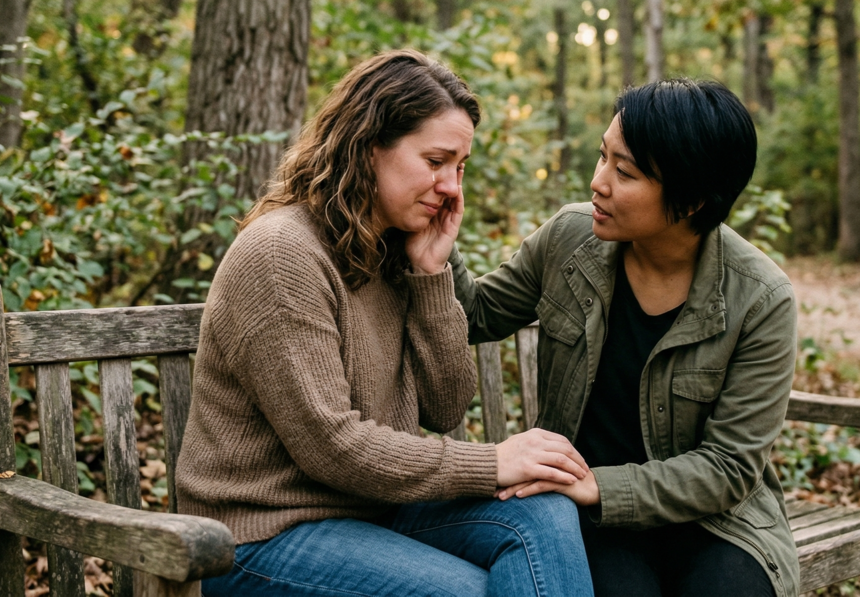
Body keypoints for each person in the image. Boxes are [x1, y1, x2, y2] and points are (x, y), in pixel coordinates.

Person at [177, 49, 595, 597]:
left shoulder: (393, 249)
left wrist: (429, 273)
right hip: (261, 535)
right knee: (471, 592)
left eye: (460, 167)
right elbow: (334, 447)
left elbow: (445, 407)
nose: (451, 187)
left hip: (372, 509)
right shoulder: (283, 254)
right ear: (370, 146)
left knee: (544, 511)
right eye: (435, 161)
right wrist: (493, 460)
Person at [449, 78, 800, 597]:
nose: (598, 183)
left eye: (625, 171)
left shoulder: (761, 298)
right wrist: (441, 242)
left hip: (718, 525)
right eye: (602, 157)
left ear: (691, 200)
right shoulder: (570, 237)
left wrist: (601, 486)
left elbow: (729, 467)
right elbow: (476, 314)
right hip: (588, 520)